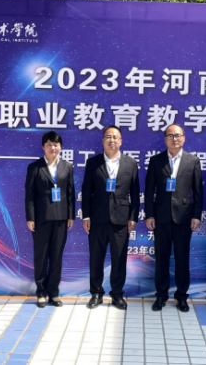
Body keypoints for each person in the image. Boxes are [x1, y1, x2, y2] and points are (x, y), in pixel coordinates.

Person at [145, 124, 203, 312]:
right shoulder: (156, 160)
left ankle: (182, 296)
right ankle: (161, 295)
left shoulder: (192, 161)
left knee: (182, 259)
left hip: (184, 218)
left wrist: (196, 215)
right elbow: (149, 190)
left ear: (183, 138)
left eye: (177, 135)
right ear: (165, 139)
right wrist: (149, 214)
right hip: (161, 217)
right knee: (161, 258)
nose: (174, 139)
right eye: (170, 136)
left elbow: (198, 191)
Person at [82, 125, 140, 310]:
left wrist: (133, 216)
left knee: (119, 258)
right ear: (103, 141)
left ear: (121, 141)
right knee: (96, 258)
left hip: (121, 220)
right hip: (97, 218)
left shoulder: (131, 163)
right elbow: (86, 191)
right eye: (108, 137)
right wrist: (86, 216)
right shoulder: (93, 163)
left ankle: (117, 294)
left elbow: (135, 193)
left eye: (115, 137)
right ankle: (96, 293)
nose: (112, 140)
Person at [25, 131, 75, 308]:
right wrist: (30, 217)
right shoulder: (35, 167)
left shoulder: (67, 167)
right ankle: (41, 292)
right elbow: (29, 195)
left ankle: (53, 292)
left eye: (56, 145)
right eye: (49, 145)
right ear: (43, 147)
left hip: (61, 218)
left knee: (56, 256)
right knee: (41, 256)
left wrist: (71, 215)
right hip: (41, 219)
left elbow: (70, 193)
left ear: (60, 147)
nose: (53, 148)